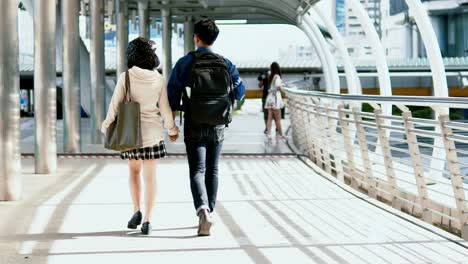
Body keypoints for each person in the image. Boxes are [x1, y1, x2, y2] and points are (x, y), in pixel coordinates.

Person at [167, 19, 245, 236]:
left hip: (194, 123)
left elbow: (172, 92)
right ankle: (210, 210)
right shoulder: (226, 63)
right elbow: (240, 92)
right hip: (218, 125)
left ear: (196, 37)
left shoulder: (186, 63)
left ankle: (202, 211)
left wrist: (171, 124)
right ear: (214, 39)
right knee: (213, 169)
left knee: (197, 170)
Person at [101, 37, 179, 235]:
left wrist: (106, 125)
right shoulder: (158, 79)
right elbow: (164, 109)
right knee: (150, 178)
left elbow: (115, 105)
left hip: (131, 135)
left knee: (134, 172)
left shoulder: (125, 77)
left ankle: (136, 209)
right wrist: (172, 130)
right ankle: (147, 220)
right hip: (152, 134)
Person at [265, 62, 286, 140]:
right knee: (278, 119)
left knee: (269, 118)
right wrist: (282, 85)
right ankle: (282, 134)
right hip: (275, 99)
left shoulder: (270, 76)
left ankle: (269, 134)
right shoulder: (277, 76)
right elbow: (278, 86)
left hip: (270, 98)